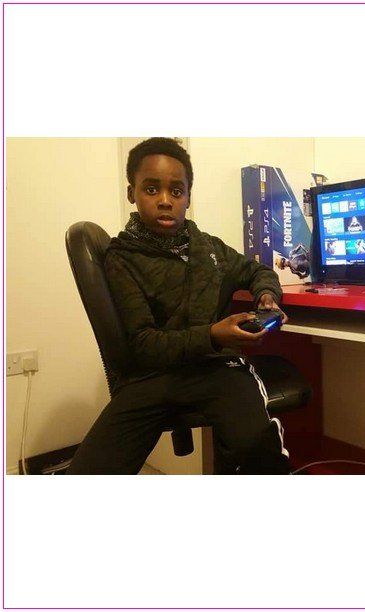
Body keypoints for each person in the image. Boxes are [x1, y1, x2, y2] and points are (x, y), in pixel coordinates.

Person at [67, 137, 291, 475]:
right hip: (152, 376)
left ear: (187, 196)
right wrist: (213, 335)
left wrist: (266, 295)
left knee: (257, 448)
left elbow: (257, 271)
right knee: (90, 471)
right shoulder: (122, 258)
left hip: (216, 368)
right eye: (151, 189)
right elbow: (143, 343)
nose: (165, 201)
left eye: (176, 191)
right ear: (131, 193)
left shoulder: (210, 249)